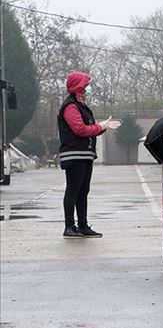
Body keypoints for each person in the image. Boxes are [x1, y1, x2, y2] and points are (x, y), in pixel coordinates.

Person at [58, 71, 121, 238]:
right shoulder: (70, 106)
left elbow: (89, 130)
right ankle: (69, 227)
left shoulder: (82, 106)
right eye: (86, 85)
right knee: (73, 190)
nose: (88, 88)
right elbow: (79, 129)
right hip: (74, 155)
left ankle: (83, 225)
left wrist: (103, 127)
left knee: (83, 191)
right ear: (79, 87)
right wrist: (100, 126)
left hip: (85, 154)